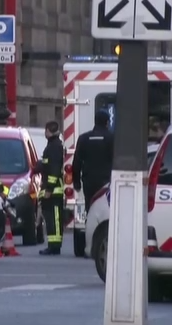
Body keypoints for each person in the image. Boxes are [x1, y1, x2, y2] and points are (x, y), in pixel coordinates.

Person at [72, 110, 113, 211]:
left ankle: (90, 224)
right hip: (106, 181)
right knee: (106, 207)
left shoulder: (83, 138)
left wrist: (76, 182)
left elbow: (77, 162)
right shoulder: (112, 138)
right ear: (107, 123)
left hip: (88, 181)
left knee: (90, 207)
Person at [35, 121, 65, 256]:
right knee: (51, 219)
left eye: (45, 131)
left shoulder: (54, 147)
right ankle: (52, 245)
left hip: (53, 191)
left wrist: (49, 189)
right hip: (51, 189)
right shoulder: (53, 146)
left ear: (48, 131)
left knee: (55, 220)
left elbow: (54, 170)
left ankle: (55, 246)